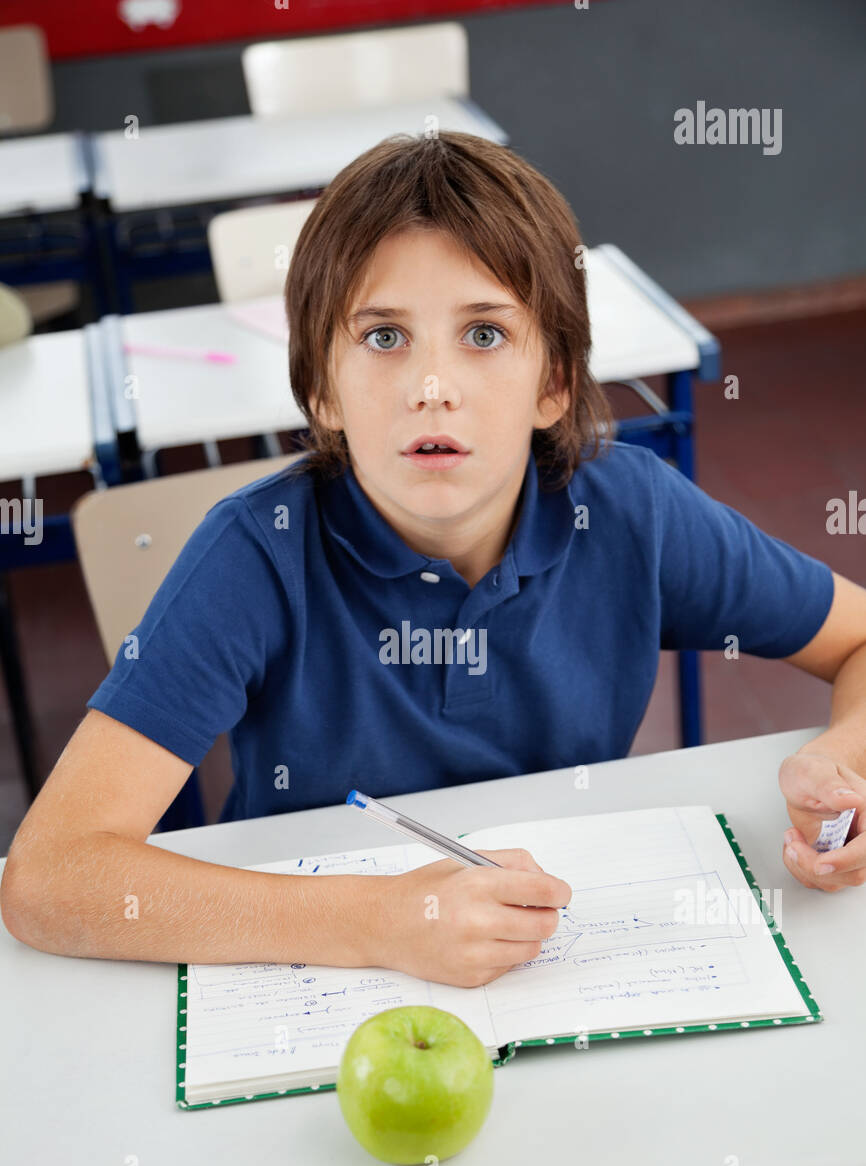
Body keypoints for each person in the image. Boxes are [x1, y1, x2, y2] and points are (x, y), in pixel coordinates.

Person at [3, 132, 866, 981]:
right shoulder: (255, 557)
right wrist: (383, 921)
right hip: (317, 980)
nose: (431, 386)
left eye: (485, 335)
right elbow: (48, 877)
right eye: (384, 338)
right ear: (320, 389)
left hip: (560, 957)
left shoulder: (633, 512)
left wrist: (847, 760)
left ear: (554, 383)